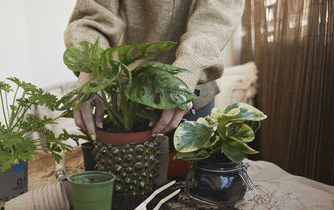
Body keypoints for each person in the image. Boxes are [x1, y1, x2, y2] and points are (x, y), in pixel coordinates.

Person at [64, 0, 245, 139]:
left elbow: (216, 18)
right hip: (128, 98)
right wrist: (91, 65)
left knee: (193, 182)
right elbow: (93, 13)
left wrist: (189, 67)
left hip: (191, 97)